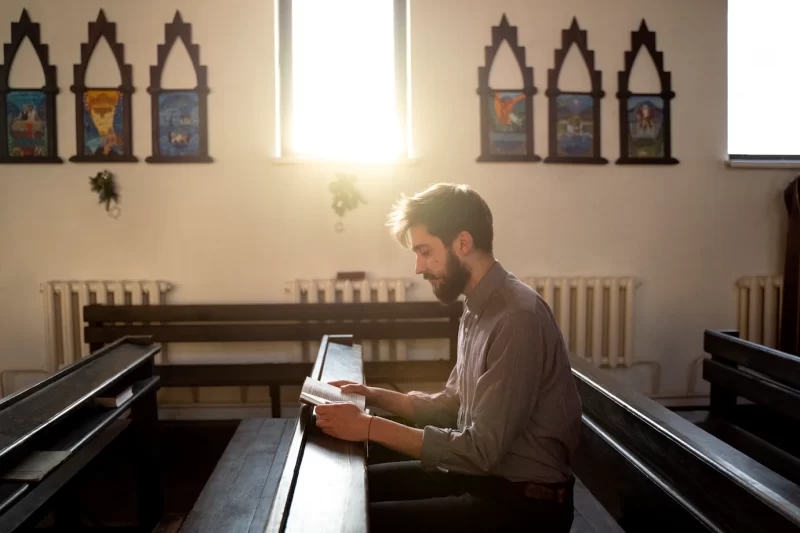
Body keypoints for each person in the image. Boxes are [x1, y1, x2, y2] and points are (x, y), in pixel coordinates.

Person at [314, 183, 583, 532]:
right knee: (357, 490)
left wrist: (368, 425)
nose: (418, 267)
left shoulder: (518, 317)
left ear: (463, 243)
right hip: (486, 477)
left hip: (526, 504)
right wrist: (375, 397)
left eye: (425, 251)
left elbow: (480, 451)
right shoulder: (476, 307)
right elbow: (453, 406)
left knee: (361, 522)